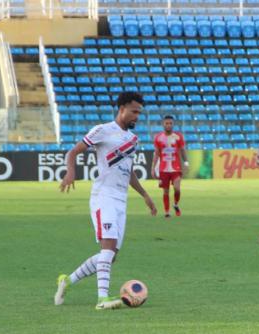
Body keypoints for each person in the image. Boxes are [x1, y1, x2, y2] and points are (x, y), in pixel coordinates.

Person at [54, 92, 157, 310]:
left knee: (110, 256)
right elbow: (73, 152)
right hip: (104, 196)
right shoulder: (103, 130)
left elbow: (128, 172)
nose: (137, 116)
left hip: (121, 200)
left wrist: (145, 195)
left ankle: (67, 280)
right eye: (134, 111)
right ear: (122, 109)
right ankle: (102, 299)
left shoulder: (132, 140)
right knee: (108, 249)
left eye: (139, 112)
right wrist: (70, 172)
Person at [152, 115, 188, 218]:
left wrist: (186, 163)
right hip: (163, 169)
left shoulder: (178, 136)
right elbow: (156, 153)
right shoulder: (158, 137)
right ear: (163, 124)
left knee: (177, 188)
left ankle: (175, 204)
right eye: (166, 123)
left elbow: (182, 150)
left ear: (173, 124)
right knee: (166, 191)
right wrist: (153, 168)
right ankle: (167, 212)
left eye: (170, 123)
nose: (168, 125)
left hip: (176, 167)